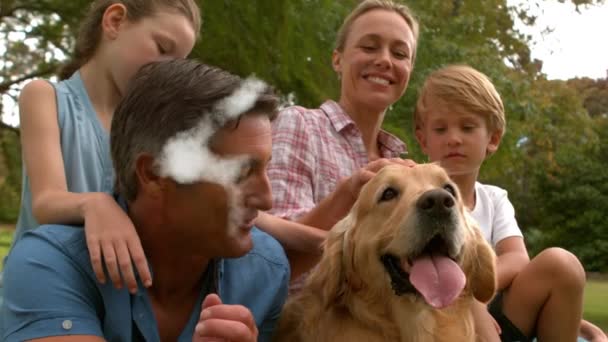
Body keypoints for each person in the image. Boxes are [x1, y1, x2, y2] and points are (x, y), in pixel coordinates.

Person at [1, 59, 290, 341]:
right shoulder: (51, 264)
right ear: (154, 174)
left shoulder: (266, 271)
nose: (267, 199)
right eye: (240, 172)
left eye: (267, 167)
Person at [6, 0, 201, 296]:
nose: (165, 75)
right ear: (115, 21)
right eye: (162, 48)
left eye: (175, 65)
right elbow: (46, 202)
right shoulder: (45, 97)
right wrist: (96, 204)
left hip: (112, 303)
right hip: (41, 289)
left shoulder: (151, 132)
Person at [413, 64, 607, 342]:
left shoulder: (493, 198)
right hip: (432, 318)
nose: (453, 138)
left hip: (494, 314)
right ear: (423, 139)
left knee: (562, 264)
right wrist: (468, 304)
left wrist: (475, 294)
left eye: (467, 127)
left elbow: (517, 258)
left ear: (492, 139)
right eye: (440, 129)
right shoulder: (417, 200)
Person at [260, 0, 418, 284]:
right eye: (369, 47)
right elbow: (269, 252)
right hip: (304, 320)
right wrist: (348, 194)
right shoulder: (300, 124)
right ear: (337, 60)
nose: (385, 60)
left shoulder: (405, 165)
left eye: (399, 53)